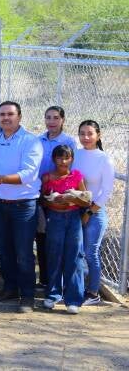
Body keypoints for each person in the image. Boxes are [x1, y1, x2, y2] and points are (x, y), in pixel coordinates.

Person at [0, 101, 43, 313]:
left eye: (10, 114)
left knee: (24, 252)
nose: (6, 118)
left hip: (24, 206)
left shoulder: (31, 141)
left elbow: (29, 174)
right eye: (2, 114)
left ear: (19, 117)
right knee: (4, 250)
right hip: (0, 204)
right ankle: (10, 289)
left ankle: (27, 296)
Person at [41, 144, 89, 314]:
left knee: (74, 257)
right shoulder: (47, 177)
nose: (63, 161)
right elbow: (42, 200)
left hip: (73, 218)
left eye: (66, 158)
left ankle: (73, 299)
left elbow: (86, 200)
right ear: (53, 159)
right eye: (59, 157)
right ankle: (53, 295)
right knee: (54, 255)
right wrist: (53, 201)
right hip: (54, 218)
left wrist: (72, 198)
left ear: (72, 159)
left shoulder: (76, 177)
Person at [73, 120, 115, 306]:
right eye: (82, 133)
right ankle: (77, 289)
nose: (86, 137)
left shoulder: (104, 159)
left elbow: (106, 192)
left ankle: (93, 293)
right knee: (76, 252)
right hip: (75, 208)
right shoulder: (76, 154)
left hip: (95, 211)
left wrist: (89, 212)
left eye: (90, 133)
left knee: (91, 253)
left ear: (98, 135)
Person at [36, 106, 78, 290]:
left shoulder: (69, 142)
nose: (51, 121)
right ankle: (45, 279)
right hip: (41, 193)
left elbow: (73, 171)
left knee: (61, 243)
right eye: (48, 117)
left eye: (55, 118)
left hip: (61, 197)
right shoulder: (38, 140)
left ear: (62, 120)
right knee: (42, 237)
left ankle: (62, 283)